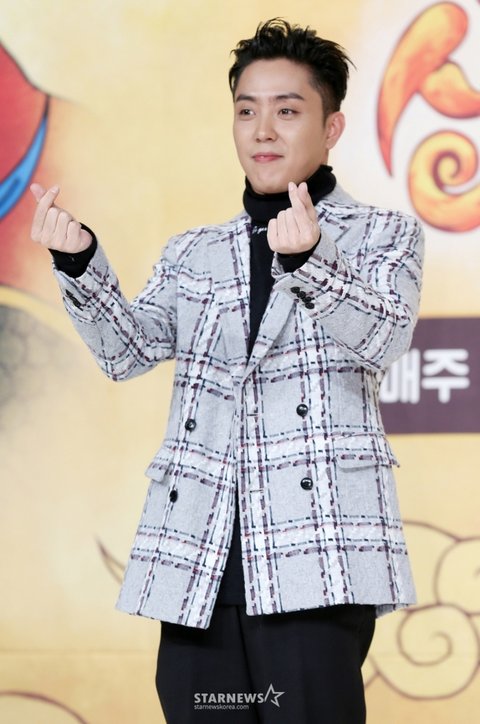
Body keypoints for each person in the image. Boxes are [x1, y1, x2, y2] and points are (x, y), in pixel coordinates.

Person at [30, 18, 424, 724]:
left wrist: (312, 260)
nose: (262, 130)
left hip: (315, 563)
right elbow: (126, 351)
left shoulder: (382, 235)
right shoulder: (195, 252)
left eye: (287, 110)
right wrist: (80, 263)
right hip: (200, 561)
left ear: (332, 127)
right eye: (246, 111)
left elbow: (385, 336)